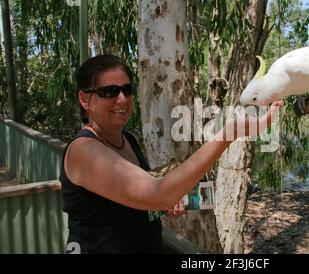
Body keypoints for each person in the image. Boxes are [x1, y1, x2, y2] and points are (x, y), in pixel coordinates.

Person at [59, 54, 282, 254]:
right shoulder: (84, 151)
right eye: (109, 92)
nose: (122, 99)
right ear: (84, 99)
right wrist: (227, 135)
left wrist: (161, 206)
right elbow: (158, 193)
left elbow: (137, 199)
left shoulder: (129, 140)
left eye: (127, 90)